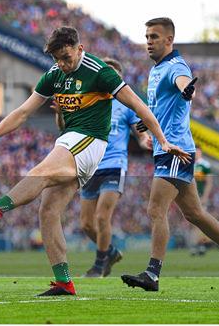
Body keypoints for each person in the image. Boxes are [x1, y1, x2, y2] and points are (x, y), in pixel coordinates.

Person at [0, 26, 189, 296]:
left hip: (90, 141)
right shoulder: (54, 74)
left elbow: (139, 106)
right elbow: (23, 111)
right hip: (70, 140)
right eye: (57, 59)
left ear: (80, 49)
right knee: (49, 210)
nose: (62, 64)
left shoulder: (100, 72)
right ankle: (64, 282)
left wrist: (162, 140)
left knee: (41, 171)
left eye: (66, 57)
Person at [121, 18, 219, 291]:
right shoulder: (155, 70)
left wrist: (187, 90)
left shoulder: (176, 66)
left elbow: (184, 85)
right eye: (146, 36)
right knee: (194, 213)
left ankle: (152, 274)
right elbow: (163, 108)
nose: (148, 41)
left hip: (176, 150)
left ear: (169, 40)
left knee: (156, 209)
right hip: (168, 149)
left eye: (154, 36)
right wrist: (148, 123)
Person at [51, 58, 152, 277]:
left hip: (115, 164)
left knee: (101, 217)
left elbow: (140, 133)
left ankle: (99, 265)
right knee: (87, 224)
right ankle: (111, 252)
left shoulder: (125, 105)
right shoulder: (87, 100)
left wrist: (145, 141)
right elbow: (65, 129)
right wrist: (60, 113)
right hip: (90, 165)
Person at [190, 146, 214, 256]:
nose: (196, 154)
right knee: (193, 222)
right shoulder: (189, 163)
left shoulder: (204, 165)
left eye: (198, 152)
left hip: (200, 196)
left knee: (200, 221)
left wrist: (205, 196)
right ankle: (198, 246)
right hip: (190, 196)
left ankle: (199, 245)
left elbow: (209, 182)